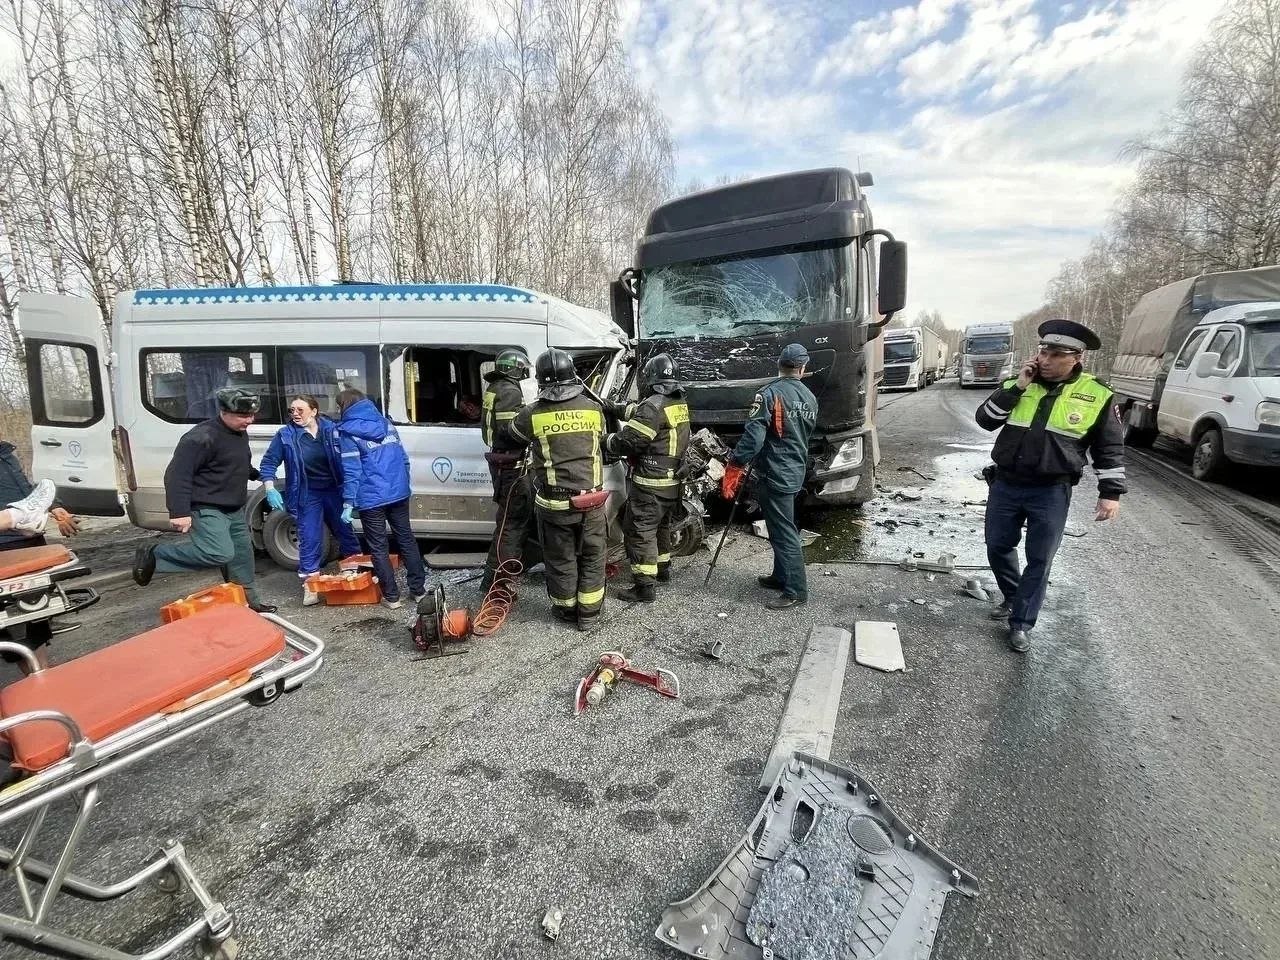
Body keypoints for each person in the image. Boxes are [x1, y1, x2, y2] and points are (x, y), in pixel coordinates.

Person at [975, 318, 1126, 653]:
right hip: (1007, 483)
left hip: (1051, 489)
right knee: (997, 546)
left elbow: (1110, 447)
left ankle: (1021, 623)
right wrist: (1017, 388)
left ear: (1076, 358)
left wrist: (1110, 493)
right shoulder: (1018, 384)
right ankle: (1013, 597)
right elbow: (985, 420)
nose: (1046, 359)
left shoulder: (1097, 394)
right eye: (1044, 351)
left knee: (1040, 558)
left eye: (1056, 354)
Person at [133, 387, 277, 613]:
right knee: (218, 553)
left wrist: (257, 475)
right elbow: (177, 475)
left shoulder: (239, 432)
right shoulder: (201, 437)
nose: (249, 420)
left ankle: (249, 604)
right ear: (224, 412)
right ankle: (155, 555)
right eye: (243, 416)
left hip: (234, 508)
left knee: (242, 558)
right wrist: (179, 512)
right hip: (207, 506)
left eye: (251, 415)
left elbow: (234, 461)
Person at [506, 347, 608, 631]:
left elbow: (511, 435)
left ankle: (566, 610)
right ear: (573, 376)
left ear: (540, 380)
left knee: (561, 558)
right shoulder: (593, 408)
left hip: (555, 505)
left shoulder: (532, 413)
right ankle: (589, 614)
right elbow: (600, 440)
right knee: (593, 556)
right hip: (591, 500)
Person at [722, 343, 818, 610]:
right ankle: (780, 576)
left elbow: (754, 439)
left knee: (784, 531)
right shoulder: (809, 397)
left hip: (776, 472)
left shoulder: (769, 394)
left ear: (779, 365)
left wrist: (735, 465)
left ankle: (796, 590)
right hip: (795, 470)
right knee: (780, 525)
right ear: (802, 368)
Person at [259, 394, 362, 606]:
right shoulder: (286, 435)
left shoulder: (332, 430)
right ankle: (310, 586)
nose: (295, 414)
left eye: (300, 410)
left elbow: (352, 456)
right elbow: (269, 462)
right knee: (309, 537)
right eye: (292, 410)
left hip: (334, 490)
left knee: (345, 531)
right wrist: (269, 487)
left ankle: (354, 573)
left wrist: (352, 494)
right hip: (307, 493)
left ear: (314, 411)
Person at [605, 352, 690, 602]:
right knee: (661, 526)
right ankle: (662, 569)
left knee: (640, 531)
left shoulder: (653, 406)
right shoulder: (677, 402)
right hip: (672, 481)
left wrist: (605, 440)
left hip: (651, 483)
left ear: (650, 379)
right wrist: (614, 408)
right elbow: (640, 413)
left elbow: (629, 441)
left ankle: (644, 587)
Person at [335, 388, 427, 609]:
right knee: (406, 539)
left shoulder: (347, 433)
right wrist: (403, 483)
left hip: (371, 498)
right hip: (398, 493)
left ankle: (392, 598)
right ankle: (419, 591)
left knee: (378, 547)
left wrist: (348, 502)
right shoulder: (387, 424)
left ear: (344, 407)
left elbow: (352, 471)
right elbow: (403, 458)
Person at [2, 448, 77, 674]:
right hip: (7, 544)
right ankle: (17, 516)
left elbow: (27, 488)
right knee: (14, 624)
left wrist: (54, 507)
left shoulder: (6, 453)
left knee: (32, 616)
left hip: (25, 540)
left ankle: (40, 674)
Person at [480, 349, 534, 594]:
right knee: (511, 524)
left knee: (510, 522)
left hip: (503, 464)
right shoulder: (510, 391)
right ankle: (497, 583)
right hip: (512, 466)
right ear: (515, 369)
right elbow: (510, 432)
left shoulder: (495, 387)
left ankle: (501, 575)